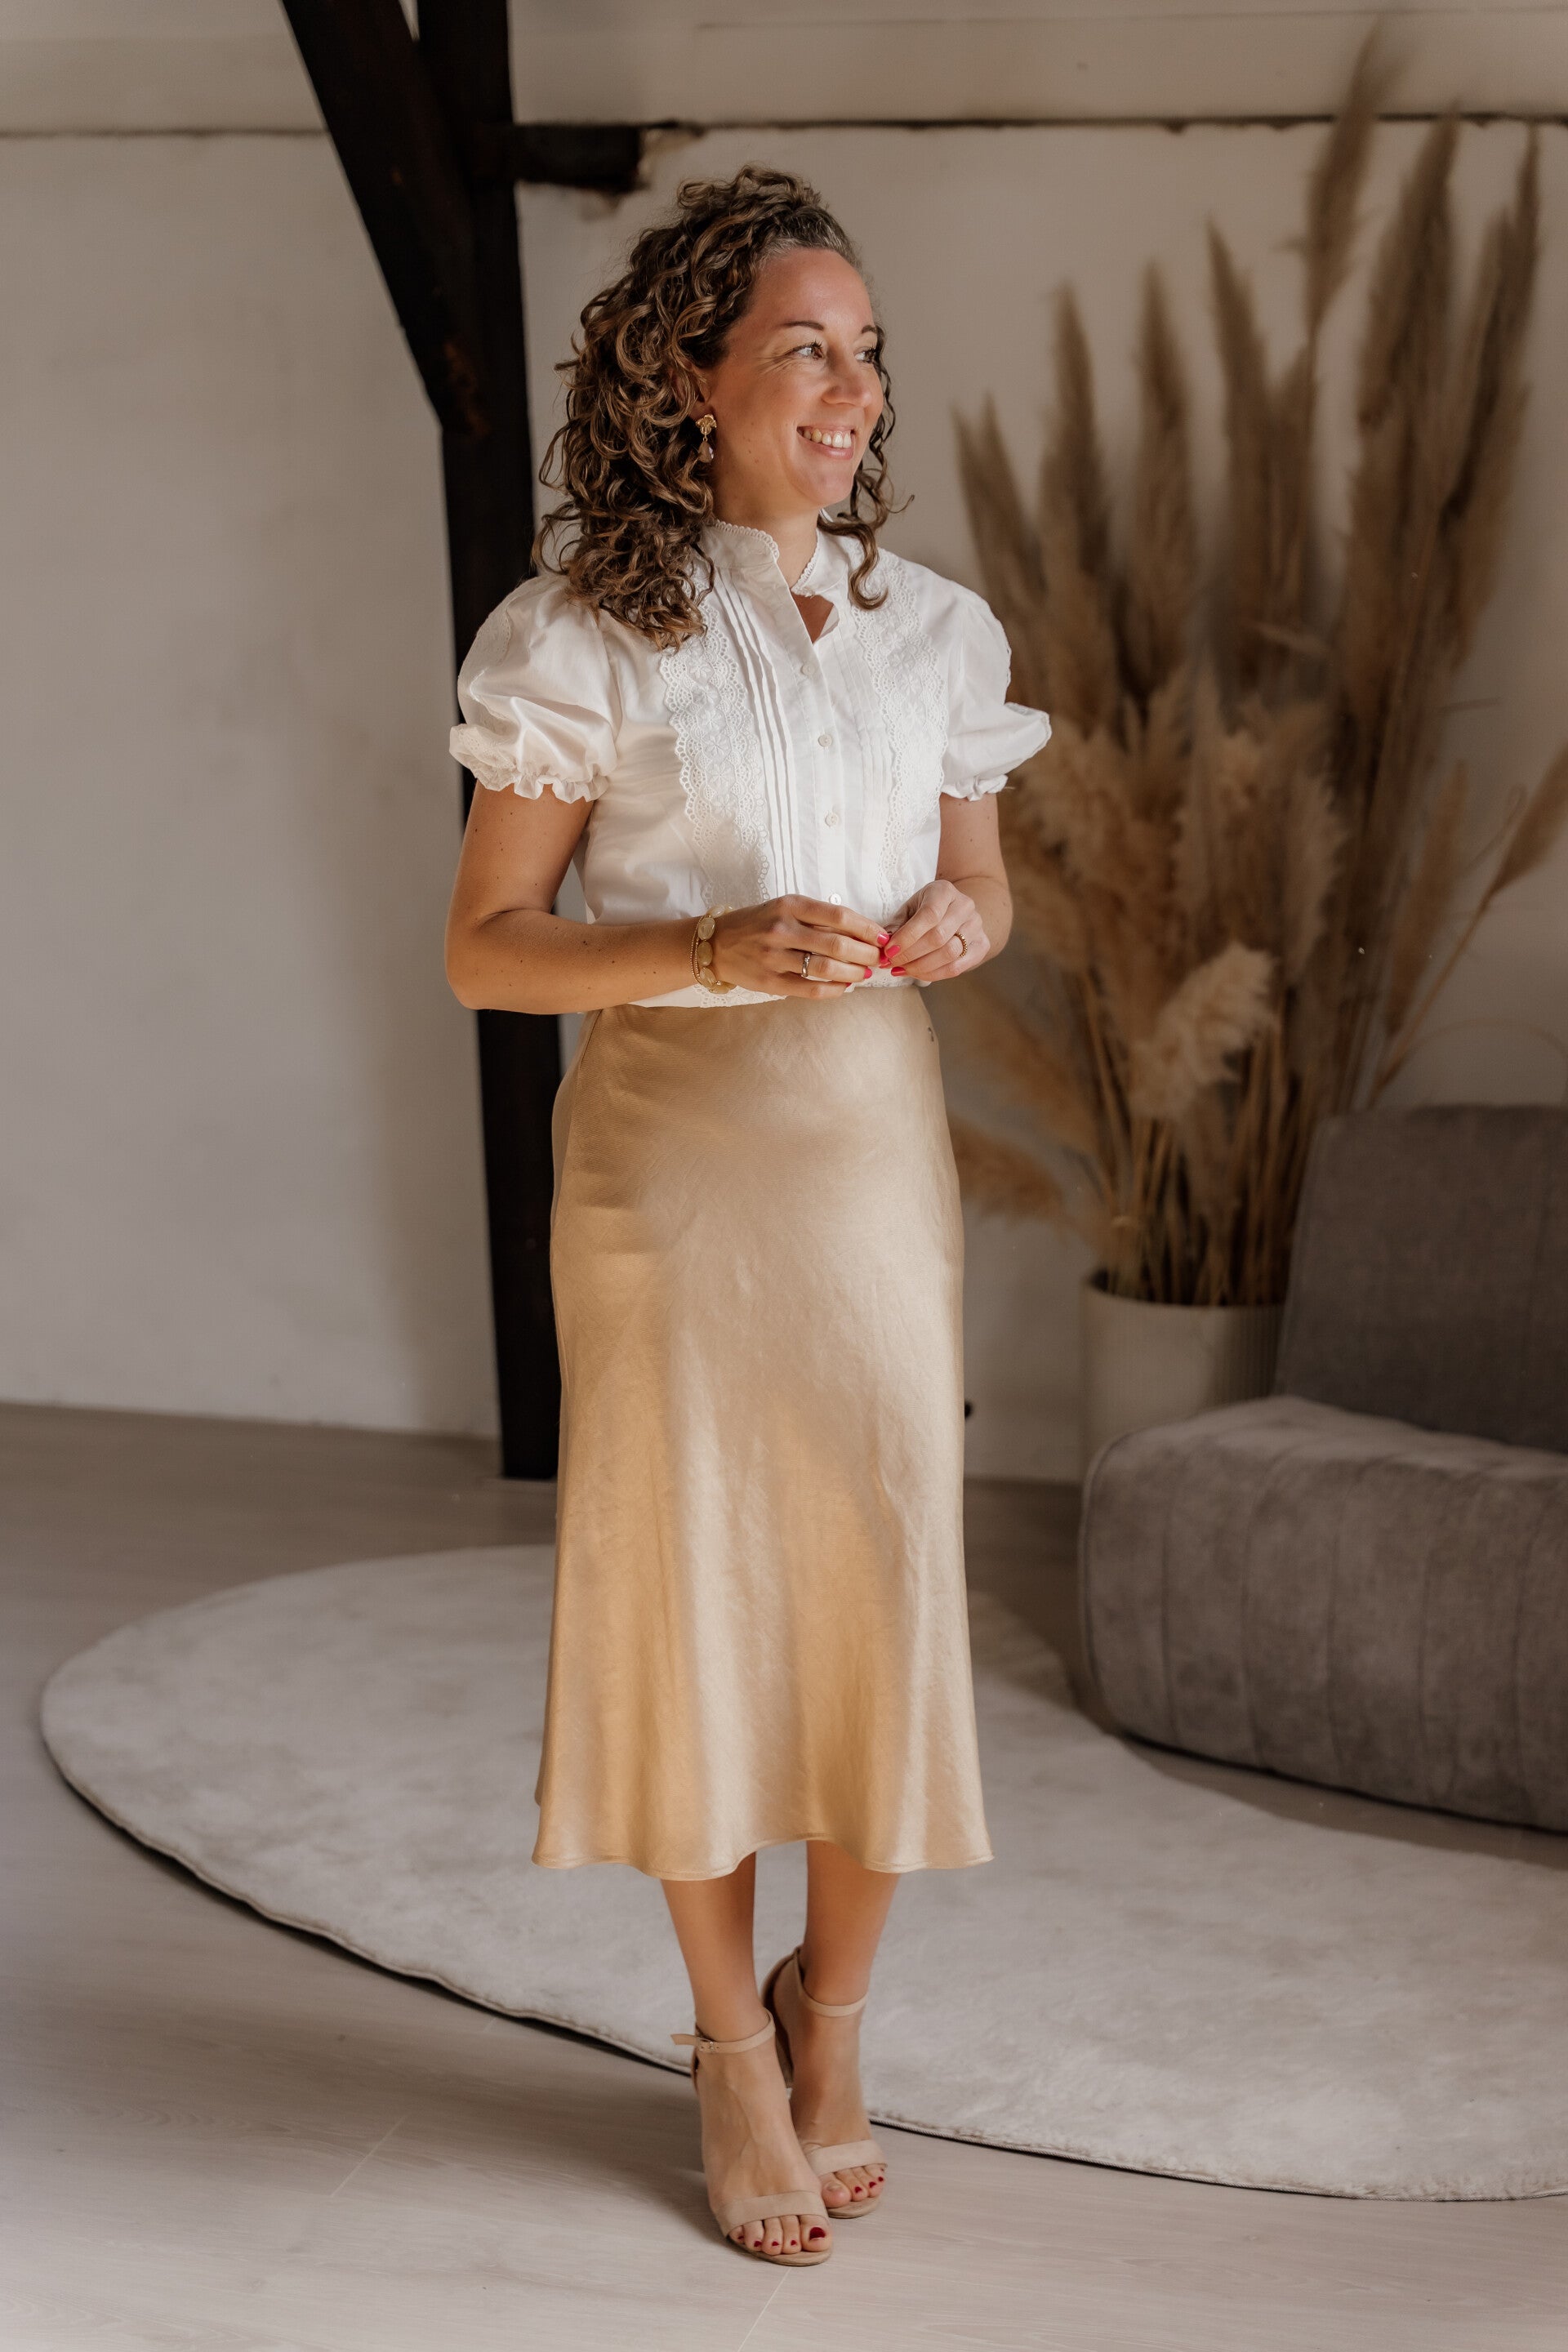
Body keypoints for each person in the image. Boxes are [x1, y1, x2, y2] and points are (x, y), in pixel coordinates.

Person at [443, 166, 1050, 2267]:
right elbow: (488, 951)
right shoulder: (573, 636)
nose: (853, 389)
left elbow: (981, 880)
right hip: (669, 1174)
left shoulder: (938, 631)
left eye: (867, 351)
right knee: (688, 1594)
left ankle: (834, 2020)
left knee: (879, 1575)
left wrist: (962, 920)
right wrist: (705, 944)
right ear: (688, 379)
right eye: (806, 347)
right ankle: (725, 2050)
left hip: (873, 1165)